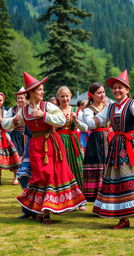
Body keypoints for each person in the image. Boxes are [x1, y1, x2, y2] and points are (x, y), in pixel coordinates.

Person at [2, 72, 86, 224]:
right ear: (31, 92)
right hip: (35, 146)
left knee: (49, 176)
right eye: (39, 89)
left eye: (42, 89)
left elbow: (60, 120)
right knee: (39, 176)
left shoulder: (47, 106)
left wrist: (44, 115)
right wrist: (14, 120)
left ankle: (46, 212)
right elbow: (7, 124)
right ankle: (41, 210)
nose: (42, 92)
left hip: (52, 144)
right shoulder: (24, 111)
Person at [84, 70, 134, 229]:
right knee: (118, 181)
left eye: (120, 87)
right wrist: (81, 119)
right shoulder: (110, 107)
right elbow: (94, 122)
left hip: (132, 145)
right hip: (116, 146)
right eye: (115, 88)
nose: (117, 90)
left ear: (127, 89)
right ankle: (123, 218)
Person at [56, 86, 87, 211]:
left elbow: (85, 128)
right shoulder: (55, 111)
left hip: (73, 141)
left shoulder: (76, 110)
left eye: (67, 96)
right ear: (58, 98)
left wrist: (75, 119)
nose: (64, 98)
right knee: (63, 170)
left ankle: (80, 200)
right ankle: (66, 200)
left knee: (77, 168)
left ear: (70, 96)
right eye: (62, 96)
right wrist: (60, 121)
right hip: (59, 142)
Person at [82, 82, 113, 202]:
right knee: (98, 164)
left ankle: (109, 193)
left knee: (109, 163)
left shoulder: (109, 106)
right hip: (96, 139)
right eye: (99, 93)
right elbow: (90, 123)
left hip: (109, 137)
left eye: (103, 92)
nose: (102, 95)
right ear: (92, 95)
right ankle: (97, 195)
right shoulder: (88, 110)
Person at [0, 92, 21, 185]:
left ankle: (16, 178)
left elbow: (9, 123)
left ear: (3, 101)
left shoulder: (4, 112)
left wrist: (3, 120)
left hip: (5, 136)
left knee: (14, 157)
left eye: (0, 100)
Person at [5, 87, 27, 158]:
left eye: (21, 98)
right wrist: (13, 119)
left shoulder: (29, 109)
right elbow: (6, 121)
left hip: (26, 135)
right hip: (14, 135)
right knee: (16, 156)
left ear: (26, 98)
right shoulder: (13, 109)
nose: (19, 100)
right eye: (18, 98)